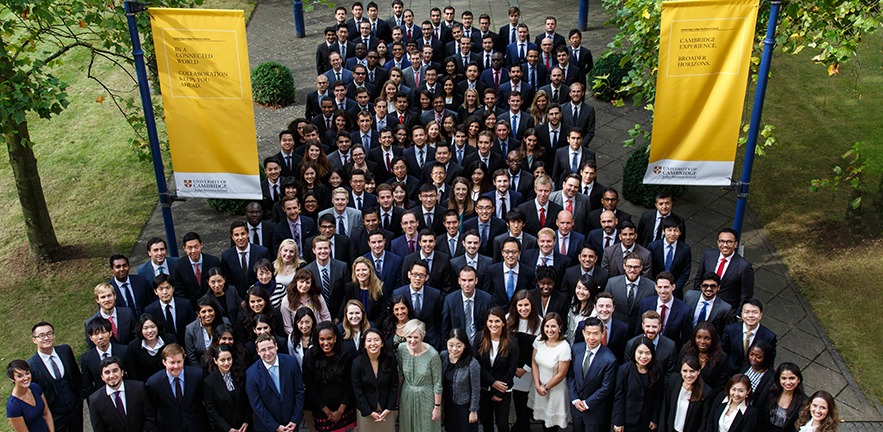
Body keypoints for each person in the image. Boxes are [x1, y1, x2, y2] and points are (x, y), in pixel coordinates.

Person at [28, 321, 82, 432]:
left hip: (75, 408)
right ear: (34, 340)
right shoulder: (31, 366)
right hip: (54, 416)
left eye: (49, 334)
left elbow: (76, 375)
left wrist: (80, 398)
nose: (46, 338)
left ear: (54, 335)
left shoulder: (65, 350)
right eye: (41, 336)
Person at [302, 322, 357, 432]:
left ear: (335, 338)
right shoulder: (310, 356)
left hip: (345, 408)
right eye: (322, 339)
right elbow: (310, 387)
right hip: (322, 411)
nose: (326, 343)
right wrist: (328, 412)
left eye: (329, 338)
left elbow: (350, 384)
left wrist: (340, 411)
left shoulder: (346, 354)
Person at [246, 334, 306, 432]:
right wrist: (276, 427)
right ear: (258, 352)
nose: (267, 352)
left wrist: (295, 420)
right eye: (263, 350)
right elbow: (257, 405)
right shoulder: (251, 374)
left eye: (270, 348)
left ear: (276, 346)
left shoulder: (291, 362)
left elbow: (299, 391)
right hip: (267, 427)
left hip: (291, 424)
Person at [567, 317, 617, 432]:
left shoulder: (610, 359)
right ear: (583, 333)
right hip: (576, 407)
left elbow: (606, 387)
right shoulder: (576, 349)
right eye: (588, 333)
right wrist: (575, 399)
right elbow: (571, 376)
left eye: (595, 334)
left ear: (602, 334)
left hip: (595, 411)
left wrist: (587, 403)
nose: (591, 338)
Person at [144, 343, 207, 432]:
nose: (176, 366)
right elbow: (150, 413)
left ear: (184, 360)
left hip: (196, 426)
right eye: (172, 362)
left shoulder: (197, 375)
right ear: (164, 362)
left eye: (179, 362)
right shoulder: (154, 383)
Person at [474, 307, 518, 432]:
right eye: (491, 321)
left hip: (504, 389)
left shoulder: (512, 342)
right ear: (486, 322)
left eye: (497, 321)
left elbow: (511, 369)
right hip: (484, 388)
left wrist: (499, 391)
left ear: (503, 323)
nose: (494, 325)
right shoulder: (479, 338)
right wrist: (493, 382)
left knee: (502, 424)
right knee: (486, 423)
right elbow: (476, 364)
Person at [528, 312, 572, 432]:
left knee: (551, 424)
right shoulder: (539, 340)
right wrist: (537, 385)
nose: (550, 330)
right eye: (547, 326)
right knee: (542, 420)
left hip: (555, 390)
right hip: (539, 387)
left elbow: (561, 374)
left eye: (553, 326)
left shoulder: (564, 347)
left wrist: (545, 387)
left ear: (560, 327)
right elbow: (534, 363)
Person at [397, 319, 443, 432]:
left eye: (416, 337)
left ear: (422, 336)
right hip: (406, 396)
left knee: (427, 427)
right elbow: (400, 374)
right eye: (409, 337)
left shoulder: (433, 355)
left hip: (427, 397)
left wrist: (437, 407)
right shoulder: (401, 349)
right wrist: (397, 399)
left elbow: (437, 383)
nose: (412, 341)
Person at [506, 289, 541, 432]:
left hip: (530, 369)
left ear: (532, 305)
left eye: (526, 305)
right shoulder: (509, 319)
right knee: (519, 402)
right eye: (520, 305)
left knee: (527, 404)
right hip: (513, 369)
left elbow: (538, 349)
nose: (523, 309)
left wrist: (525, 368)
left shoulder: (539, 322)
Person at [351, 328, 398, 432]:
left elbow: (394, 385)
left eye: (376, 340)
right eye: (369, 340)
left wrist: (389, 408)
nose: (373, 343)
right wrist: (368, 412)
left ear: (382, 343)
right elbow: (357, 390)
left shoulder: (390, 359)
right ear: (364, 345)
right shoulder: (357, 363)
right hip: (366, 411)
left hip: (387, 410)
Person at [692, 228, 754, 307]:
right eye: (722, 241)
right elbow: (698, 278)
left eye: (729, 242)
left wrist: (737, 313)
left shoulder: (744, 266)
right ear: (717, 242)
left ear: (736, 244)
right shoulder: (708, 255)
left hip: (726, 310)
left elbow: (746, 294)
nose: (725, 245)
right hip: (704, 303)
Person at [612, 337, 663, 432]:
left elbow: (658, 396)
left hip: (647, 420)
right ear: (634, 352)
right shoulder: (624, 370)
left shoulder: (657, 369)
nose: (643, 357)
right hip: (628, 420)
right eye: (640, 352)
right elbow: (619, 397)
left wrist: (654, 419)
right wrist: (618, 422)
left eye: (647, 353)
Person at [87, 356, 151, 432]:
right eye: (107, 372)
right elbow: (99, 429)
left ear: (122, 372)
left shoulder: (138, 388)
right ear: (102, 377)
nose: (112, 376)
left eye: (115, 370)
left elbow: (149, 417)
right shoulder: (95, 400)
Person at [722, 299, 778, 375]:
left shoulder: (769, 337)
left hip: (752, 376)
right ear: (741, 314)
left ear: (761, 315)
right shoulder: (730, 329)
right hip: (729, 372)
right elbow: (723, 353)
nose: (750, 315)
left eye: (755, 312)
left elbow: (769, 362)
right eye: (747, 312)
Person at [440, 328, 481, 432]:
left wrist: (473, 410)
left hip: (464, 407)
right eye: (451, 345)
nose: (454, 349)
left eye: (459, 346)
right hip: (448, 406)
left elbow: (476, 389)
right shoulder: (443, 356)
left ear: (465, 345)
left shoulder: (472, 363)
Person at [202, 345, 251, 432]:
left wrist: (246, 421)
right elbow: (211, 410)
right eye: (222, 360)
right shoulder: (209, 382)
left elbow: (247, 400)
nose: (226, 363)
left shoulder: (240, 374)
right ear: (215, 361)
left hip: (244, 427)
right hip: (224, 428)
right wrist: (227, 429)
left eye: (229, 359)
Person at [657, 356, 712, 432]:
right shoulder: (673, 381)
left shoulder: (706, 391)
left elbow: (704, 420)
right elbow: (665, 408)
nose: (688, 375)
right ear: (680, 371)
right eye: (685, 371)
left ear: (698, 371)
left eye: (692, 371)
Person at [80, 317, 129, 398]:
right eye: (96, 334)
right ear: (91, 337)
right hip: (103, 400)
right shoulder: (87, 359)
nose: (100, 337)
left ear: (110, 333)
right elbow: (88, 387)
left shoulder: (124, 351)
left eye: (104, 332)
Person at [144, 274, 195, 344]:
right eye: (161, 289)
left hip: (186, 345)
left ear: (173, 288)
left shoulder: (185, 304)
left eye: (168, 288)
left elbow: (193, 327)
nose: (165, 292)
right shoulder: (150, 310)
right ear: (155, 291)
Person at [679, 321, 729, 393]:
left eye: (707, 338)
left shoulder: (721, 358)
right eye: (699, 337)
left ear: (713, 339)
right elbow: (678, 372)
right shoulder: (686, 350)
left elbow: (720, 385)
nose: (702, 341)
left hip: (707, 397)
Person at [756, 363, 807, 432]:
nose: (788, 382)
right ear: (779, 380)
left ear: (799, 379)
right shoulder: (770, 390)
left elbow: (798, 426)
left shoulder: (804, 402)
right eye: (784, 378)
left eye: (792, 378)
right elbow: (759, 408)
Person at [126, 314, 176, 381]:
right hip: (145, 386)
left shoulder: (170, 340)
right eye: (145, 328)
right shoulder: (133, 346)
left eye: (153, 327)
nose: (150, 331)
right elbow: (133, 372)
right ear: (140, 329)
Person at [6, 359, 53, 432]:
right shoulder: (13, 407)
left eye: (27, 373)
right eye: (20, 376)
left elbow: (46, 413)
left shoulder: (35, 387)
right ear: (13, 379)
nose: (25, 378)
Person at [282, 268, 333, 334]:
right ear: (296, 282)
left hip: (317, 335)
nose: (304, 285)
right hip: (297, 337)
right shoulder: (287, 301)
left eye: (308, 282)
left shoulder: (318, 297)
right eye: (301, 282)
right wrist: (299, 338)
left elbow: (326, 318)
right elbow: (288, 327)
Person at [85, 282, 136, 348]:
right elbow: (92, 348)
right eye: (103, 297)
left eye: (109, 296)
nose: (107, 300)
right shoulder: (90, 323)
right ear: (97, 300)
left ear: (114, 296)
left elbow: (135, 336)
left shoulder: (127, 313)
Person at [184, 296, 229, 366]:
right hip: (202, 367)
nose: (207, 314)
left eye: (210, 310)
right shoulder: (190, 329)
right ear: (198, 313)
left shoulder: (225, 322)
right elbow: (191, 357)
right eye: (203, 312)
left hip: (224, 364)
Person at [342, 257, 388, 324]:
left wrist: (372, 327)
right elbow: (347, 309)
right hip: (355, 325)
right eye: (358, 270)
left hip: (375, 326)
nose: (361, 273)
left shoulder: (380, 287)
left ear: (370, 271)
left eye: (364, 270)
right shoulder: (350, 287)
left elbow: (383, 312)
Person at [566, 273, 597, 343]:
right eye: (579, 288)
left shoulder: (594, 311)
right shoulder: (574, 302)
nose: (581, 292)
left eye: (585, 289)